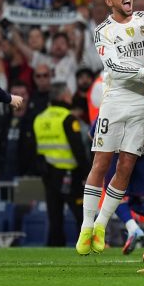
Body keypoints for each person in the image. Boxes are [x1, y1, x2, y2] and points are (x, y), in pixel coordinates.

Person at [76, 0, 144, 255]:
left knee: (126, 165)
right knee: (101, 162)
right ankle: (86, 227)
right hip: (115, 100)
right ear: (109, 2)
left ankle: (100, 225)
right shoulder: (104, 31)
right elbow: (112, 63)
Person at [33, 83, 88, 247]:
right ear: (64, 96)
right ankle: (84, 244)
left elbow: (35, 149)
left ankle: (55, 245)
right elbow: (78, 149)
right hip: (70, 174)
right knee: (79, 213)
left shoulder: (39, 118)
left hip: (48, 174)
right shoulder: (68, 118)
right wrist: (87, 173)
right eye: (69, 93)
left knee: (54, 215)